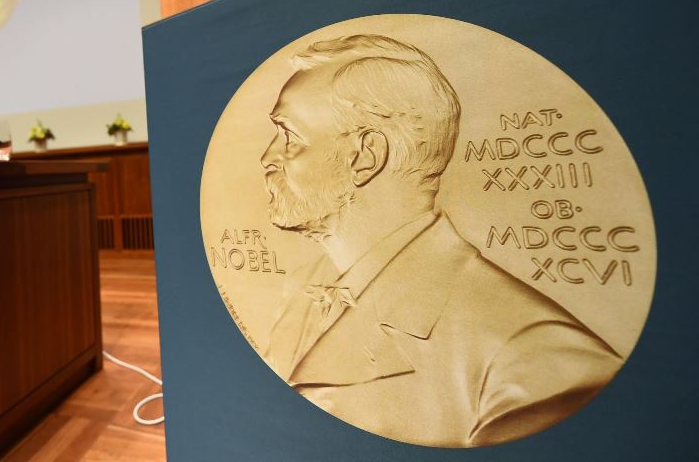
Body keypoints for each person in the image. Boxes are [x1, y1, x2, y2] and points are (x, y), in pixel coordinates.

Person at [260, 34, 621, 447]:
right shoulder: (299, 301)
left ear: (365, 156)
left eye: (289, 136)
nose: (267, 158)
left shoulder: (534, 362)